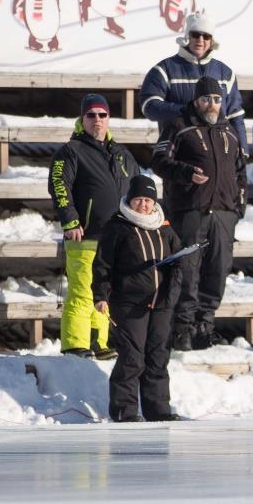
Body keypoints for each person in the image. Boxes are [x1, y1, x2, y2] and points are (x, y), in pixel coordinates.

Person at [150, 76, 246, 351]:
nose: (212, 104)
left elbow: (241, 172)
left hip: (223, 214)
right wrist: (185, 173)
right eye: (206, 99)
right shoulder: (179, 126)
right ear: (196, 101)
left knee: (217, 271)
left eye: (217, 99)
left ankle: (205, 325)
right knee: (187, 271)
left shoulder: (230, 132)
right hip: (190, 210)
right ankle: (182, 329)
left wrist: (237, 208)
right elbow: (158, 161)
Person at [48, 93, 139, 359]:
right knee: (82, 293)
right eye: (91, 115)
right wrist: (70, 220)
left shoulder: (122, 154)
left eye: (102, 114)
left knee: (105, 295)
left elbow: (137, 189)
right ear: (82, 118)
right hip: (84, 236)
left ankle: (99, 343)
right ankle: (76, 344)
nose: (97, 120)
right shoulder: (71, 151)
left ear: (109, 118)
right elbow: (58, 186)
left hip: (117, 239)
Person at [92, 175, 183, 423]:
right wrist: (100, 295)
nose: (144, 205)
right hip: (129, 303)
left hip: (161, 303)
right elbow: (102, 265)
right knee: (132, 357)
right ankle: (124, 411)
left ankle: (158, 409)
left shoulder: (164, 227)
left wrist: (170, 296)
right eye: (139, 199)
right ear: (130, 200)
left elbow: (178, 265)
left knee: (158, 356)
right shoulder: (117, 226)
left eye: (148, 200)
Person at [139, 10, 249, 158]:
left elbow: (235, 115)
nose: (201, 40)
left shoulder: (225, 73)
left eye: (206, 36)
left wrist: (243, 152)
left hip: (219, 156)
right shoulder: (164, 70)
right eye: (196, 34)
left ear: (212, 40)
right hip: (178, 154)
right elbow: (149, 106)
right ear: (187, 36)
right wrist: (187, 111)